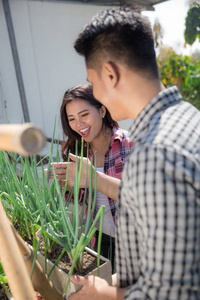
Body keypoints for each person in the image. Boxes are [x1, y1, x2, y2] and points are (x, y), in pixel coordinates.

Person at [67, 5, 200, 300]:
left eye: (93, 81)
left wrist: (104, 293)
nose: (95, 91)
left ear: (110, 74)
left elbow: (171, 294)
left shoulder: (153, 152)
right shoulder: (188, 115)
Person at [48, 84, 133, 272]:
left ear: (102, 110)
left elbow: (140, 196)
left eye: (84, 115)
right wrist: (68, 186)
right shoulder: (79, 151)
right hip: (101, 241)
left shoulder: (129, 143)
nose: (78, 124)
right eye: (71, 119)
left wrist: (93, 177)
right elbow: (82, 200)